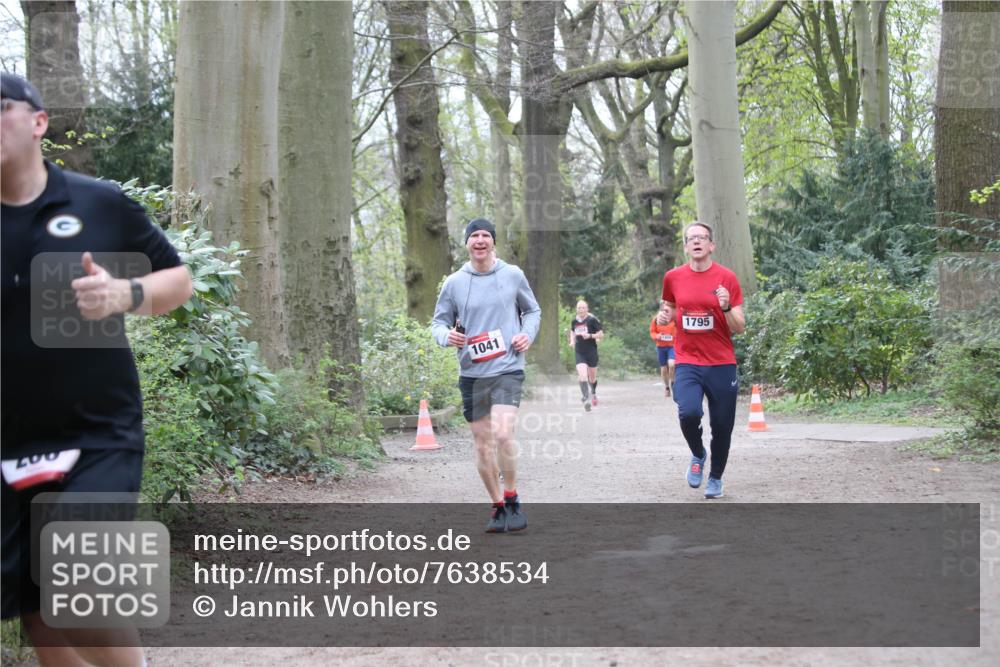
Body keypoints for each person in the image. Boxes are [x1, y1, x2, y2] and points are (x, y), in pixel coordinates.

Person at [1, 72, 193, 667]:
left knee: (77, 578)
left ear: (37, 122)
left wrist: (125, 293)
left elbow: (178, 280)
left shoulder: (97, 202)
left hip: (96, 433)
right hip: (7, 440)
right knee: (37, 608)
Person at [432, 218, 541, 533]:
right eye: (474, 236)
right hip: (472, 373)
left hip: (507, 367)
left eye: (485, 235)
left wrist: (526, 334)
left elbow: (532, 310)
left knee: (504, 434)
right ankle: (496, 507)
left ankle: (512, 498)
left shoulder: (512, 275)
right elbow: (438, 322)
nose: (480, 240)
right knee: (482, 445)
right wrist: (445, 336)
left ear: (493, 241)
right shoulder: (454, 282)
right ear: (466, 243)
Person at [658, 222, 745, 499]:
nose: (696, 242)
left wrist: (726, 306)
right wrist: (663, 317)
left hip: (721, 362)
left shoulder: (727, 278)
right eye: (691, 238)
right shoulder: (673, 277)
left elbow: (739, 326)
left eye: (702, 238)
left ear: (711, 245)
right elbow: (669, 307)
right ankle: (698, 453)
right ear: (685, 246)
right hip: (687, 360)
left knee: (721, 425)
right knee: (689, 412)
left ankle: (716, 478)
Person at [566, 300, 603, 410]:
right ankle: (586, 398)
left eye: (583, 308)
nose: (581, 310)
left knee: (592, 378)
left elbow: (601, 334)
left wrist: (590, 336)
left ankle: (593, 392)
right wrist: (572, 341)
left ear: (587, 309)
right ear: (576, 309)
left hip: (591, 351)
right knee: (582, 375)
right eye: (579, 308)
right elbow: (572, 332)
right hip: (580, 351)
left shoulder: (592, 320)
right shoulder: (574, 321)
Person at [650, 301, 677, 398]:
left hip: (672, 346)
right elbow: (652, 332)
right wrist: (657, 336)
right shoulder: (656, 319)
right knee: (664, 369)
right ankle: (667, 387)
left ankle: (673, 383)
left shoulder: (674, 317)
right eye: (663, 305)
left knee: (672, 364)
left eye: (667, 305)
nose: (665, 307)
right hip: (661, 347)